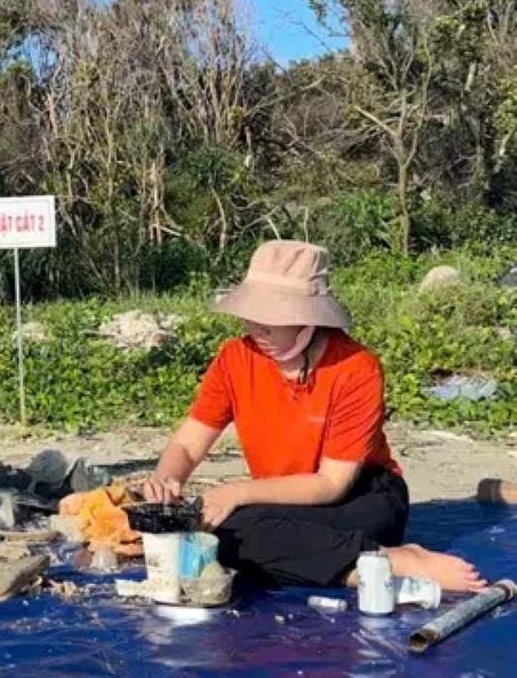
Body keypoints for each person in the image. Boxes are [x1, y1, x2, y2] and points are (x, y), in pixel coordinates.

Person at [142, 240, 487, 592]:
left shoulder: (356, 367)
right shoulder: (235, 359)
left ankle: (399, 560)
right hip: (280, 499)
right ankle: (362, 569)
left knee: (241, 533)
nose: (258, 330)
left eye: (273, 320)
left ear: (309, 319)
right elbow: (188, 443)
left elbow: (331, 484)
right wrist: (166, 480)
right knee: (224, 535)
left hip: (361, 495)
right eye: (253, 317)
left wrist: (236, 491)